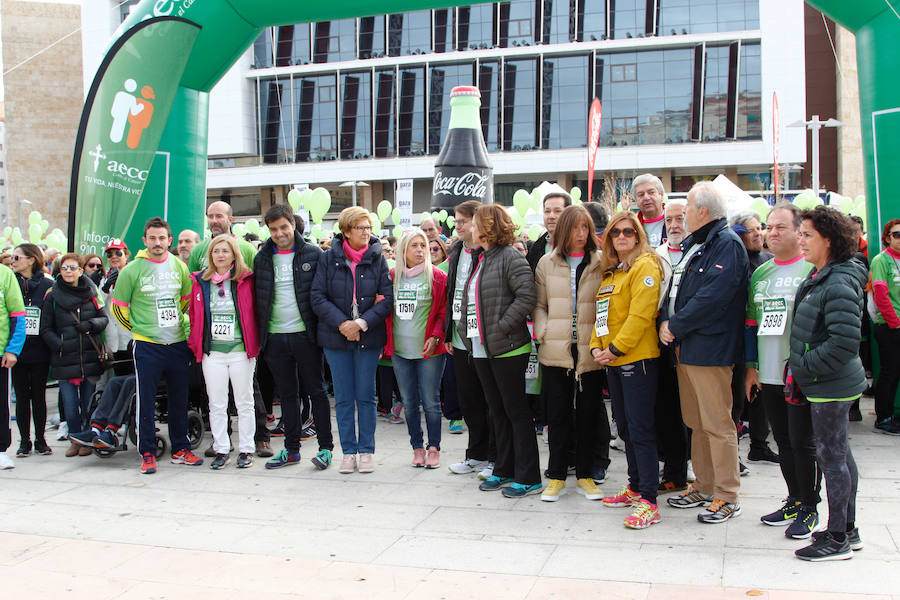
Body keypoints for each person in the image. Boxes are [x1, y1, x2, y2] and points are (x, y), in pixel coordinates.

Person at [659, 181, 749, 524]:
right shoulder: (700, 244)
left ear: (702, 211)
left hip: (710, 348)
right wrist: (669, 320)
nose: (681, 215)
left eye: (688, 208)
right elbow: (678, 289)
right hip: (689, 347)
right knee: (696, 422)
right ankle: (705, 485)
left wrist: (675, 325)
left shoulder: (726, 244)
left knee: (717, 424)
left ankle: (727, 494)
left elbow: (712, 297)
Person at [789, 205, 867, 561]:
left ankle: (837, 538)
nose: (799, 241)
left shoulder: (837, 281)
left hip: (829, 384)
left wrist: (805, 368)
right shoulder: (824, 273)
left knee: (832, 458)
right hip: (826, 381)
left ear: (829, 241)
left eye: (807, 235)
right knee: (840, 456)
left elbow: (844, 342)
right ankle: (847, 528)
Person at [744, 203, 820, 539]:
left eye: (780, 227)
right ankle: (793, 498)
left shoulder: (812, 269)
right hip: (769, 373)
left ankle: (810, 507)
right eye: (767, 227)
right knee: (785, 442)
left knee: (804, 443)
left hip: (800, 375)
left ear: (799, 231)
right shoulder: (761, 272)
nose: (771, 233)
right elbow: (751, 323)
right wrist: (751, 368)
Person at [590, 211, 664, 528]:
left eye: (629, 232)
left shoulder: (645, 266)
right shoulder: (612, 274)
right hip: (613, 362)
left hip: (637, 360)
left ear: (638, 236)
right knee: (625, 429)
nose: (622, 237)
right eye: (615, 232)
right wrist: (596, 346)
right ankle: (634, 486)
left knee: (641, 430)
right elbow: (601, 317)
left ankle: (649, 499)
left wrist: (615, 348)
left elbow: (640, 316)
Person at [111, 217, 202, 474]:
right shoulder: (132, 270)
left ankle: (181, 449)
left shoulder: (179, 266)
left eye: (162, 238)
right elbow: (119, 308)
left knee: (179, 398)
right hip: (147, 345)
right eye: (152, 238)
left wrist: (175, 327)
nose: (157, 243)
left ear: (169, 240)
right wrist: (139, 331)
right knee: (146, 401)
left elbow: (185, 301)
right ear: (144, 240)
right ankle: (147, 451)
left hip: (176, 343)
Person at [461, 205, 540, 498]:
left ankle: (528, 475)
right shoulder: (480, 257)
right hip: (482, 348)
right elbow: (471, 300)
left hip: (507, 347)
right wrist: (464, 332)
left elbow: (527, 295)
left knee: (516, 412)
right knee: (497, 412)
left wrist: (503, 325)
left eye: (476, 222)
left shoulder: (509, 256)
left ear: (489, 226)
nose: (469, 226)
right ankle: (504, 469)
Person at [534, 205, 607, 502]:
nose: (581, 234)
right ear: (564, 230)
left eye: (585, 228)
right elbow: (539, 305)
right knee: (558, 415)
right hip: (556, 350)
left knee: (589, 414)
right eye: (575, 228)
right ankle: (556, 476)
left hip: (590, 350)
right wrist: (543, 331)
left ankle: (587, 475)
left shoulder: (601, 261)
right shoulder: (546, 263)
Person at [312, 207, 392, 474]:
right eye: (360, 228)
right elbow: (318, 297)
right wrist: (343, 324)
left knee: (366, 396)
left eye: (369, 227)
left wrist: (360, 323)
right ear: (346, 231)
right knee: (344, 397)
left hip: (368, 336)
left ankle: (367, 450)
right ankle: (348, 452)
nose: (366, 233)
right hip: (336, 338)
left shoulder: (378, 258)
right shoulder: (327, 259)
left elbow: (387, 298)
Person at [254, 204, 334, 469]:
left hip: (306, 335)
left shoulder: (313, 253)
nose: (279, 233)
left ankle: (325, 448)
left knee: (317, 391)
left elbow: (324, 294)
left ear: (292, 224)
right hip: (275, 338)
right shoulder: (262, 258)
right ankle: (291, 450)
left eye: (283, 227)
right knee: (288, 395)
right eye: (274, 229)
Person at [188, 235, 260, 469]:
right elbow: (195, 315)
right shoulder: (200, 281)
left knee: (244, 401)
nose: (220, 255)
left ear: (234, 255)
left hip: (240, 350)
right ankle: (221, 447)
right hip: (213, 353)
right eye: (216, 251)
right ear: (210, 255)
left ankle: (247, 448)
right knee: (216, 403)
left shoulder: (246, 280)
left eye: (225, 251)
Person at [385, 229, 448, 468]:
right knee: (409, 402)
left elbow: (443, 311)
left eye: (424, 245)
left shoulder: (438, 277)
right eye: (415, 245)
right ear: (403, 250)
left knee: (430, 401)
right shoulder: (392, 277)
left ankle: (434, 447)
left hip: (428, 351)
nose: (421, 250)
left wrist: (436, 335)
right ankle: (417, 447)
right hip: (400, 351)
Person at [40, 253, 109, 458]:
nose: (68, 272)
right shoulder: (52, 295)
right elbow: (45, 328)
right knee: (70, 407)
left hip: (89, 356)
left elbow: (103, 319)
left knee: (88, 403)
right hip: (65, 359)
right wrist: (59, 345)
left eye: (72, 268)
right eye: (64, 268)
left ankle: (86, 440)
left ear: (81, 270)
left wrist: (90, 325)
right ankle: (74, 439)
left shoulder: (91, 292)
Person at [445, 200, 495, 478]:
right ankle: (474, 454)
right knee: (470, 401)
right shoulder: (455, 251)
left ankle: (493, 456)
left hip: (483, 338)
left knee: (489, 402)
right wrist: (447, 333)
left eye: (463, 221)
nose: (459, 226)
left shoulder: (488, 252)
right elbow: (452, 292)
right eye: (457, 221)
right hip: (459, 337)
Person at [730, 210, 778, 467]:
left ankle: (759, 445)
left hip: (767, 337)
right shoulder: (736, 259)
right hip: (741, 338)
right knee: (737, 398)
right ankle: (732, 454)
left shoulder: (770, 260)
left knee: (763, 395)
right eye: (751, 230)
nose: (758, 233)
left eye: (760, 228)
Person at [654, 200, 691, 493]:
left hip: (696, 344)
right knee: (668, 411)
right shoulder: (657, 256)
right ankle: (675, 470)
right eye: (669, 221)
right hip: (663, 345)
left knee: (695, 412)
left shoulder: (701, 252)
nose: (674, 225)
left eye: (680, 218)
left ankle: (698, 468)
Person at [10, 244, 53, 457]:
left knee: (38, 395)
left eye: (17, 256)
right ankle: (24, 441)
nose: (12, 260)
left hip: (40, 349)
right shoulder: (11, 282)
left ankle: (41, 440)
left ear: (31, 259)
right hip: (17, 349)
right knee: (21, 395)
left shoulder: (47, 283)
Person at [869, 218, 900, 434]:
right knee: (890, 371)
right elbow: (880, 294)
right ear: (887, 238)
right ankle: (883, 417)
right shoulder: (881, 260)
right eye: (896, 234)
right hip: (889, 326)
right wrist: (895, 323)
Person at [0, 262, 26, 470]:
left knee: (1, 405)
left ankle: (0, 450)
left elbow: (17, 314)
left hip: (1, 354)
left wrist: (13, 349)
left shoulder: (5, 274)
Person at [188, 201, 258, 273]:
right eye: (210, 217)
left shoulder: (247, 249)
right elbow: (193, 282)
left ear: (230, 220)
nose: (214, 221)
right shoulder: (198, 249)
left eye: (219, 216)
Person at [99, 239, 132, 364]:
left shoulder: (134, 274)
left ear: (126, 255)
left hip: (130, 336)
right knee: (118, 376)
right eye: (109, 254)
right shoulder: (105, 278)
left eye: (118, 253)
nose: (114, 257)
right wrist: (105, 288)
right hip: (113, 339)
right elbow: (99, 305)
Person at [526, 182, 571, 271]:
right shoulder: (535, 249)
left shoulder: (579, 246)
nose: (551, 216)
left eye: (557, 211)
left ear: (568, 213)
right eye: (547, 211)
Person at [632, 173, 666, 248]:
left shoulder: (676, 220)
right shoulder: (632, 224)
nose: (646, 197)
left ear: (661, 195)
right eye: (641, 195)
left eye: (651, 192)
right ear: (636, 201)